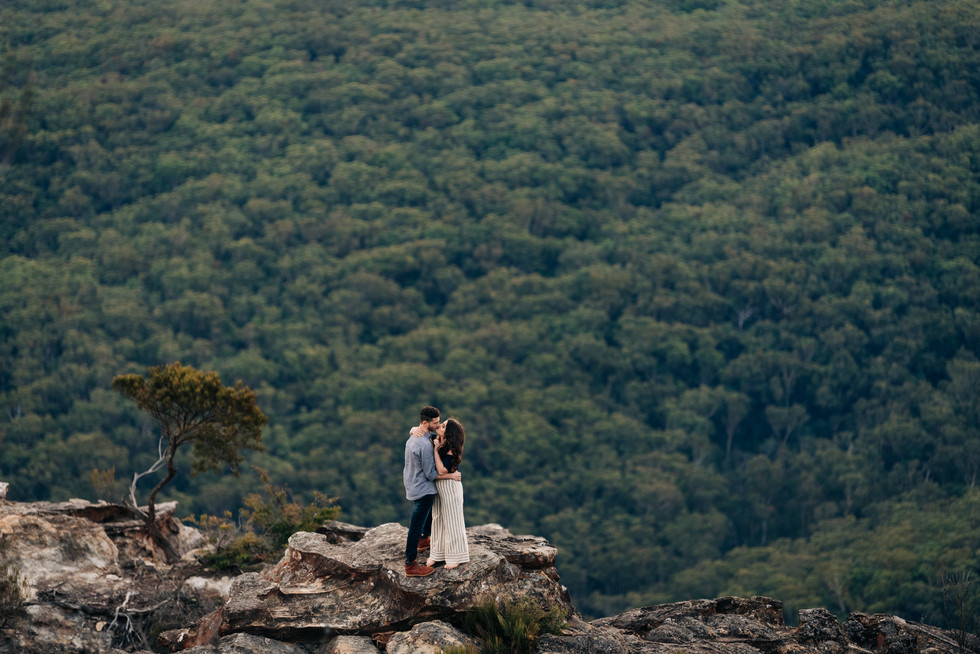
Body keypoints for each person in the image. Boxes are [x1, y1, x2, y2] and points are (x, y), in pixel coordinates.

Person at [403, 405, 460, 577]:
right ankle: (410, 564)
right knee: (416, 525)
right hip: (423, 488)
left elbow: (433, 436)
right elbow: (430, 474)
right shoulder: (425, 444)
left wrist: (412, 429)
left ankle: (423, 540)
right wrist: (451, 476)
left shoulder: (416, 437)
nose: (438, 425)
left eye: (439, 422)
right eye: (435, 423)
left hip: (412, 484)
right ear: (425, 422)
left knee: (427, 514)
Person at [426, 418, 469, 569]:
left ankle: (455, 556)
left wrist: (436, 452)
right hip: (439, 486)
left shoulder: (450, 449)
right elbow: (419, 431)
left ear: (449, 432)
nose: (439, 426)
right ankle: (437, 554)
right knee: (437, 518)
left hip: (450, 487)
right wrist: (413, 430)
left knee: (452, 521)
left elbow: (442, 470)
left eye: (443, 426)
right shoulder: (438, 440)